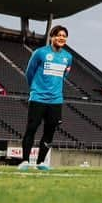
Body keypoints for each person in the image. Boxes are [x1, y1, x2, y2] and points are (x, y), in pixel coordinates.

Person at [19, 25, 72, 171]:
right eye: (58, 35)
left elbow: (64, 76)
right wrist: (35, 89)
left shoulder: (68, 57)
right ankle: (25, 161)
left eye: (64, 36)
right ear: (52, 37)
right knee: (31, 129)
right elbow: (29, 73)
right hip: (38, 98)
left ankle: (41, 162)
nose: (61, 38)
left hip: (56, 100)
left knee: (49, 132)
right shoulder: (40, 53)